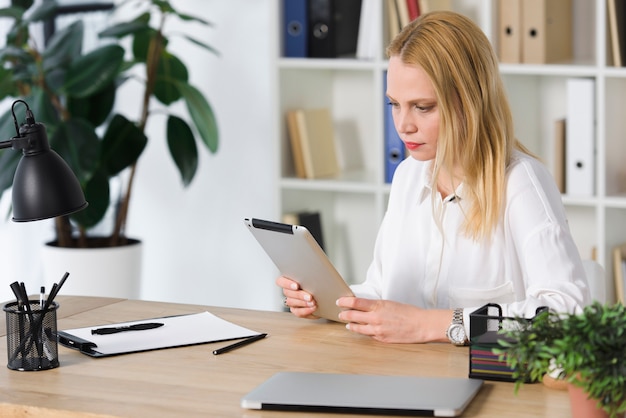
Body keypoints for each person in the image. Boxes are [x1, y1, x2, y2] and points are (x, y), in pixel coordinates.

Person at [276, 11, 590, 344]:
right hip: (402, 377)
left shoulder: (521, 182)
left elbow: (566, 319)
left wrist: (433, 325)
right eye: (395, 104)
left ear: (470, 103)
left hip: (489, 387)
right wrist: (331, 303)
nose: (403, 125)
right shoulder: (408, 176)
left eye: (422, 107)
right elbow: (383, 289)